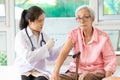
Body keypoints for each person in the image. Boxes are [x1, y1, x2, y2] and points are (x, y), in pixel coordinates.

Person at [50, 6, 117, 80]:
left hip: (95, 73)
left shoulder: (103, 37)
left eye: (86, 17)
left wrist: (107, 78)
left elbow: (110, 60)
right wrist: (55, 71)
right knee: (55, 78)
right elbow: (64, 52)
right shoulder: (74, 34)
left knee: (85, 77)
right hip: (75, 72)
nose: (82, 21)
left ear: (92, 19)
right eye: (79, 18)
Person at [14, 6, 62, 80]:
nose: (42, 23)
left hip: (40, 71)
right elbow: (28, 58)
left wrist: (64, 46)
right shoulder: (21, 36)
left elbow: (51, 57)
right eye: (39, 21)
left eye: (43, 20)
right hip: (24, 70)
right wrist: (46, 46)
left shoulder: (44, 36)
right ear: (30, 21)